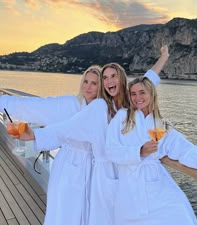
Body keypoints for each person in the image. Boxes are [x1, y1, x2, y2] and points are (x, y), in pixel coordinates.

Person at [11, 45, 170, 225]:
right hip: (103, 174)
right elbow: (68, 127)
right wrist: (35, 135)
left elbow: (149, 81)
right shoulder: (99, 107)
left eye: (113, 76)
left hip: (127, 170)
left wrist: (164, 57)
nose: (109, 81)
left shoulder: (131, 101)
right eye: (105, 77)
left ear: (120, 79)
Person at [105, 76, 197, 225]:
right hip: (129, 188)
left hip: (157, 186)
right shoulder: (123, 118)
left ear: (152, 94)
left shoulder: (160, 124)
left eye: (142, 92)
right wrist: (139, 151)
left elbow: (183, 148)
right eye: (133, 94)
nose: (137, 98)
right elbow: (110, 150)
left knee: (180, 214)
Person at [1, 66, 102, 225]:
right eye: (86, 81)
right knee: (65, 213)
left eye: (94, 83)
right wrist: (3, 101)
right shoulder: (70, 104)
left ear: (101, 86)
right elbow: (36, 106)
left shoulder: (105, 110)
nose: (87, 87)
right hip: (69, 168)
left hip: (95, 171)